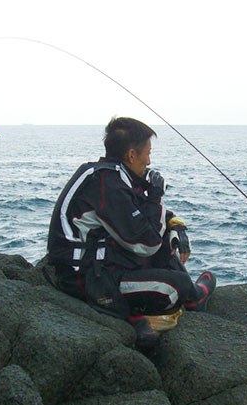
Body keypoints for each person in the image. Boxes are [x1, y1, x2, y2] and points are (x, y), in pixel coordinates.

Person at [46, 116, 216, 349]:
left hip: (102, 263)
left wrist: (176, 226)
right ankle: (160, 305)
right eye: (147, 153)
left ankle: (193, 298)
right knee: (176, 285)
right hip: (84, 277)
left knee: (166, 243)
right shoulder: (106, 183)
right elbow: (146, 243)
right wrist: (156, 195)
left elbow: (142, 213)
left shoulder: (113, 176)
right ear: (131, 155)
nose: (149, 160)